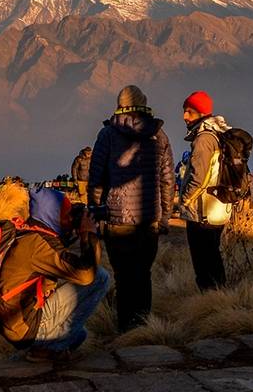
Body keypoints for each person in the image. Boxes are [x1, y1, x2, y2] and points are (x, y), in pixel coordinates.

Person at [87, 85, 174, 333]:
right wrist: (165, 217)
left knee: (124, 277)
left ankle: (126, 330)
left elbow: (96, 179)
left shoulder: (108, 135)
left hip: (118, 221)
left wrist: (96, 212)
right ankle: (144, 327)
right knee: (143, 274)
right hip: (149, 220)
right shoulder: (159, 135)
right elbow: (167, 180)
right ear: (143, 103)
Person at [0, 186, 110, 363]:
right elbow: (85, 274)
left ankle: (47, 346)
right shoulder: (37, 244)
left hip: (18, 323)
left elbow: (64, 262)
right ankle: (44, 349)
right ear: (52, 213)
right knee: (100, 278)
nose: (69, 218)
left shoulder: (29, 233)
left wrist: (74, 232)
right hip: (25, 326)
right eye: (66, 213)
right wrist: (88, 235)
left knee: (79, 335)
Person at [179, 90, 233, 290]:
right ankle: (219, 296)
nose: (184, 116)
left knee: (203, 262)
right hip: (218, 208)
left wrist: (184, 201)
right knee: (213, 256)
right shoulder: (219, 134)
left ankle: (209, 300)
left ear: (201, 113)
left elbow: (198, 177)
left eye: (189, 112)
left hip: (203, 211)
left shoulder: (204, 139)